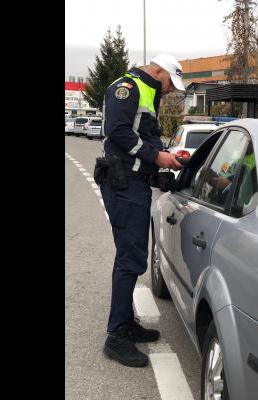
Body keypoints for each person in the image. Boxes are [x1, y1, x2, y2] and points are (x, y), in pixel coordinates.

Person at [99, 54, 184, 368]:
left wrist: (163, 156)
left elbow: (142, 135)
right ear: (158, 70)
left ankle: (126, 323)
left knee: (132, 256)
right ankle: (116, 335)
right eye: (170, 84)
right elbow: (118, 132)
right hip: (123, 183)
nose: (171, 91)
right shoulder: (128, 87)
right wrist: (157, 157)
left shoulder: (148, 91)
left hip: (133, 182)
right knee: (130, 258)